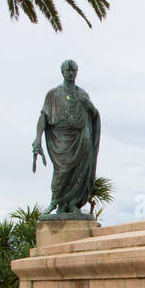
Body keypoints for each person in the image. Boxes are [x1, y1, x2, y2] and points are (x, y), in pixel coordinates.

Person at [31, 59, 100, 214]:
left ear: (77, 72)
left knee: (80, 171)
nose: (70, 73)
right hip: (61, 138)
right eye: (67, 70)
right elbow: (43, 117)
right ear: (62, 72)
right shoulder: (53, 94)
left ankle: (73, 203)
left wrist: (92, 108)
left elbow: (94, 115)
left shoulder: (83, 94)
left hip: (82, 137)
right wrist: (38, 137)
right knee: (62, 170)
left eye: (73, 70)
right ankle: (54, 201)